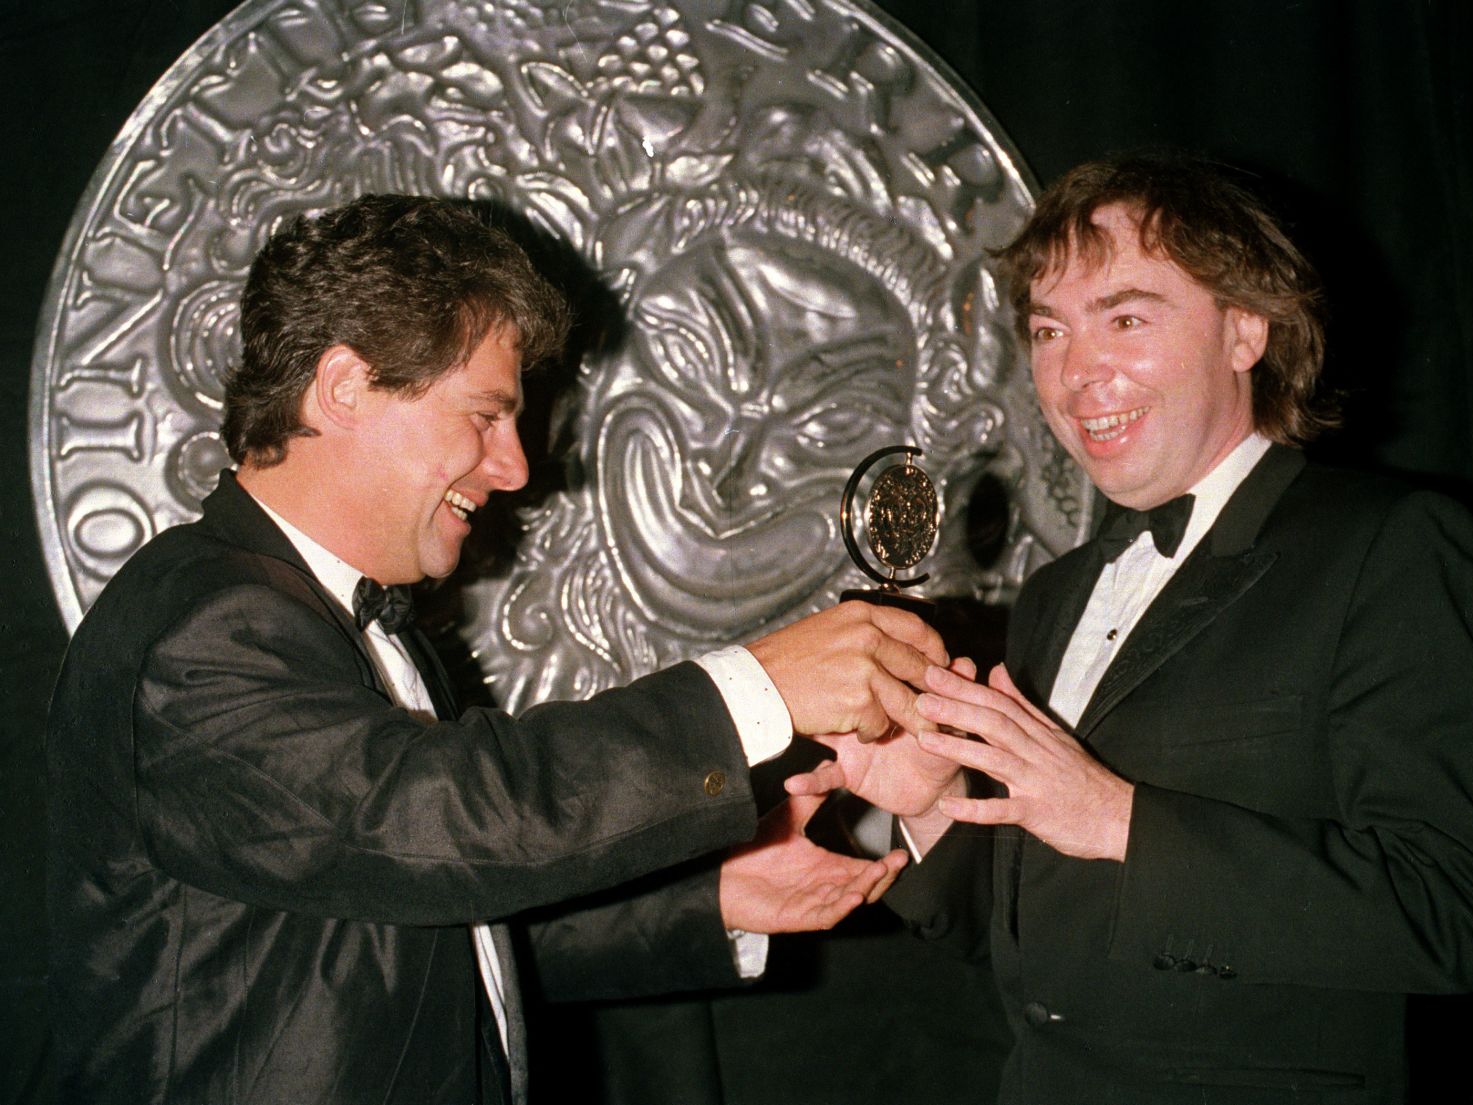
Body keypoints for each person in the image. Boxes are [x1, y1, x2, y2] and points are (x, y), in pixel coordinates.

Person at [47, 194, 949, 1105]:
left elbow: (426, 921)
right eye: (485, 415)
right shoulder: (204, 627)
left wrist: (712, 897)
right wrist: (756, 689)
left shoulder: (353, 623)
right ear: (344, 388)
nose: (515, 466)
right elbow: (437, 821)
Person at [790, 154, 1473, 1102]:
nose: (1076, 371)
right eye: (1050, 330)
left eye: (1127, 318)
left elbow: (1457, 911)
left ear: (1246, 329)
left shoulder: (1390, 549)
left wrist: (1117, 818)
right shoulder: (1055, 597)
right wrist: (930, 805)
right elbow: (1044, 944)